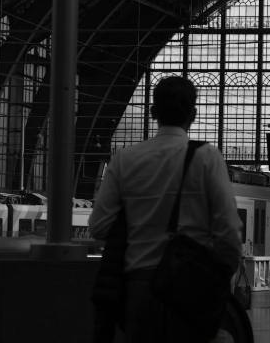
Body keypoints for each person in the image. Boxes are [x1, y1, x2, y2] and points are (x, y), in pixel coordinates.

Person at [90, 76, 242, 342]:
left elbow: (99, 226)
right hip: (193, 287)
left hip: (139, 289)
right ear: (193, 114)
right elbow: (228, 230)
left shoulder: (125, 160)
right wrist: (222, 275)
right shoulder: (207, 157)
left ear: (153, 113)